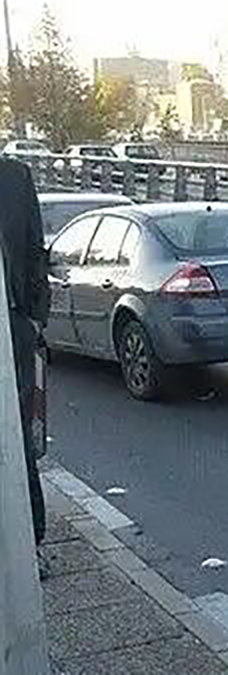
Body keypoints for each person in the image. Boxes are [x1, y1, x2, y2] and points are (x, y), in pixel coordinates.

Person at [0, 158, 49, 545]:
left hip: (12, 323)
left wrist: (35, 317)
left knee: (16, 434)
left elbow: (35, 250)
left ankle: (30, 542)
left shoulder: (14, 177)